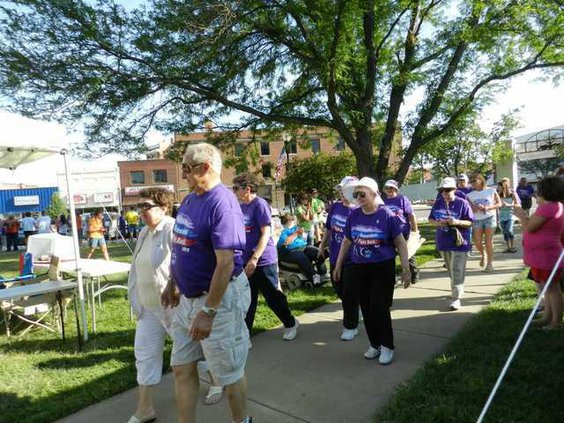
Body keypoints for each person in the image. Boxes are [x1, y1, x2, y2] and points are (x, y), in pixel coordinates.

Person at [161, 142, 252, 423]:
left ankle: (242, 421)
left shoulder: (223, 204)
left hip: (216, 302)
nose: (183, 174)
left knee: (227, 373)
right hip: (187, 300)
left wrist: (209, 311)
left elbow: (225, 263)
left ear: (205, 167)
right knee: (182, 367)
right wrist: (173, 283)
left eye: (187, 168)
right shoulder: (190, 200)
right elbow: (181, 246)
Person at [334, 177, 410, 365]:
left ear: (374, 194)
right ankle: (374, 344)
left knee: (379, 307)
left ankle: (387, 346)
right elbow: (347, 241)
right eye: (356, 194)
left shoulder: (387, 215)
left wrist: (406, 268)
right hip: (359, 266)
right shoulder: (354, 215)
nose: (358, 197)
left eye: (362, 194)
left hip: (382, 267)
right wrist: (337, 264)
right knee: (366, 307)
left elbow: (400, 242)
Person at [127, 188, 176, 423]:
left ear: (163, 207)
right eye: (140, 207)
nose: (142, 211)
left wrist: (174, 285)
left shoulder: (171, 228)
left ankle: (219, 383)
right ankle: (145, 409)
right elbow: (137, 269)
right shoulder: (144, 233)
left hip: (172, 306)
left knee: (194, 349)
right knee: (144, 357)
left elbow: (183, 261)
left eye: (147, 206)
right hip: (147, 308)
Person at [232, 173, 299, 341]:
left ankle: (290, 323)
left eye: (235, 188)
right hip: (245, 260)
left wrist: (255, 258)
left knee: (272, 297)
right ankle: (245, 336)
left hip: (262, 260)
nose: (234, 192)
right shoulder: (242, 207)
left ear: (247, 189)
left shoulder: (259, 205)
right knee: (248, 299)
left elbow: (266, 233)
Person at [513, 176, 563, 330]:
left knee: (552, 288)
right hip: (543, 255)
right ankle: (547, 316)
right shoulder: (555, 206)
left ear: (545, 191)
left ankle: (555, 322)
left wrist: (521, 215)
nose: (536, 193)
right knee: (546, 287)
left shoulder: (548, 208)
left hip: (546, 256)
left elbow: (529, 227)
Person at [318, 176, 360, 341]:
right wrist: (322, 246)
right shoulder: (335, 207)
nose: (341, 193)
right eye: (340, 190)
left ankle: (350, 326)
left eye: (344, 190)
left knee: (349, 293)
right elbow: (329, 229)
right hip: (335, 256)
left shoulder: (358, 210)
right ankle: (355, 309)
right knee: (339, 290)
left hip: (352, 259)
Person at [428, 177, 474, 311]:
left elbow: (470, 222)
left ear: (454, 190)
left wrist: (457, 222)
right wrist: (437, 223)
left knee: (457, 269)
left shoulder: (462, 203)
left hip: (460, 242)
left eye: (448, 190)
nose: (445, 193)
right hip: (443, 241)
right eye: (442, 190)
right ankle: (457, 290)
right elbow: (430, 219)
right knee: (451, 270)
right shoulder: (438, 203)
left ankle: (456, 298)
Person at [383, 179, 420, 284]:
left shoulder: (402, 199)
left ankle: (413, 272)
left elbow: (411, 215)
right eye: (387, 188)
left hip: (403, 231)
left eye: (391, 188)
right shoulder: (384, 201)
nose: (389, 190)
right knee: (390, 255)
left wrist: (415, 230)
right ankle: (392, 277)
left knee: (408, 253)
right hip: (390, 232)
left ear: (396, 189)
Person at [277, 214, 328, 285]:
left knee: (316, 252)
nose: (294, 222)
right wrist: (295, 234)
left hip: (303, 247)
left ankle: (323, 274)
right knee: (301, 257)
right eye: (292, 221)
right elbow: (285, 243)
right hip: (288, 252)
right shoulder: (283, 232)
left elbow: (303, 238)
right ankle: (316, 280)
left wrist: (300, 234)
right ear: (288, 221)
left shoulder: (294, 228)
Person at [466, 174, 501, 272]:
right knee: (477, 241)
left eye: (474, 180)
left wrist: (487, 207)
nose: (472, 182)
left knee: (488, 241)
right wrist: (476, 208)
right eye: (471, 181)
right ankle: (483, 254)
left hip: (490, 217)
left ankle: (490, 264)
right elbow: (469, 209)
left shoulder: (491, 190)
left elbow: (499, 203)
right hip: (477, 219)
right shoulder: (469, 195)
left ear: (481, 180)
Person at [498, 178, 519, 253]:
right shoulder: (499, 194)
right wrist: (499, 205)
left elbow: (516, 204)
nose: (505, 184)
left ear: (509, 183)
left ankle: (512, 246)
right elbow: (497, 204)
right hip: (502, 216)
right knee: (505, 232)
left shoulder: (512, 193)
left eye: (506, 183)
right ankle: (508, 247)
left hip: (510, 215)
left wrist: (508, 205)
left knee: (509, 231)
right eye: (503, 183)